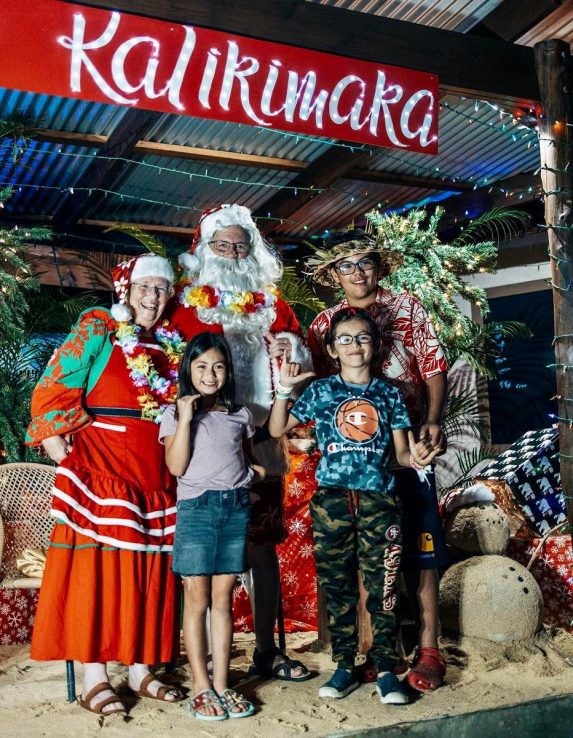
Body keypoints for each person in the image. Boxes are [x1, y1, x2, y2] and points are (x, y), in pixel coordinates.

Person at [25, 253, 186, 715]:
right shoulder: (100, 326)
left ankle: (139, 669)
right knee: (94, 570)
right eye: (144, 287)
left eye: (161, 289)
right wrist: (64, 454)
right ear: (125, 290)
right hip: (99, 466)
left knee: (145, 572)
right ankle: (94, 675)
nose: (152, 297)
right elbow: (51, 389)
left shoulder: (170, 345)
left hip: (152, 470)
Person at [167, 203, 311, 681]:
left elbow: (302, 366)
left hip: (264, 436)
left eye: (240, 246)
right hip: (202, 445)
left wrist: (292, 349)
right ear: (205, 250)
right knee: (198, 558)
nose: (231, 253)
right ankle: (198, 659)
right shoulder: (184, 308)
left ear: (254, 253)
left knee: (261, 547)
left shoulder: (275, 307)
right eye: (222, 245)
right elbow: (164, 372)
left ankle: (268, 649)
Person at [269, 307, 441, 704]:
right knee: (339, 585)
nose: (355, 345)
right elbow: (278, 428)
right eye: (345, 339)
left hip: (379, 501)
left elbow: (399, 452)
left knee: (383, 586)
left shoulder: (388, 393)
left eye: (362, 337)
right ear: (331, 348)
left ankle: (385, 669)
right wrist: (282, 391)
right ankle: (344, 665)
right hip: (331, 500)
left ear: (375, 344)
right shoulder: (320, 391)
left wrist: (415, 456)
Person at [307, 230, 449, 693]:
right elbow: (316, 390)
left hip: (408, 445)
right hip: (355, 460)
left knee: (420, 547)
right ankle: (366, 654)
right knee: (363, 558)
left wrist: (431, 419)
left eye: (365, 262)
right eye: (346, 265)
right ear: (332, 274)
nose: (358, 272)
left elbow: (432, 363)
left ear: (378, 266)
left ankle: (428, 648)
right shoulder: (324, 324)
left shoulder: (406, 307)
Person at [160, 332, 263, 720]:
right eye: (202, 365)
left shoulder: (239, 414)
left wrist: (252, 473)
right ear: (189, 369)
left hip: (234, 509)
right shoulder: (176, 413)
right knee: (197, 598)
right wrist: (186, 417)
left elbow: (244, 457)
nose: (210, 373)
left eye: (218, 366)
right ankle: (201, 686)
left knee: (223, 600)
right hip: (197, 510)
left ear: (228, 372)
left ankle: (222, 683)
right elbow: (176, 466)